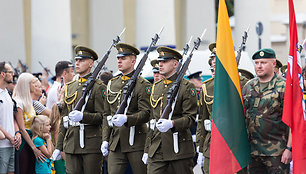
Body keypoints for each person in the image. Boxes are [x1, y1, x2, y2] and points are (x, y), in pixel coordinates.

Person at [196, 43, 250, 174]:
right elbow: (202, 119)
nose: (213, 61)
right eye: (213, 58)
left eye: (217, 58)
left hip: (236, 145)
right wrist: (201, 148)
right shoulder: (207, 87)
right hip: (213, 145)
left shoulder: (243, 84)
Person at [52, 46, 105, 174]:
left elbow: (102, 116)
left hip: (91, 144)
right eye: (76, 60)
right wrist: (58, 147)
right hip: (71, 144)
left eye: (82, 60)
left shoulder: (98, 87)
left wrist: (83, 117)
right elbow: (64, 119)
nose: (77, 63)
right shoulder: (70, 87)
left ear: (91, 63)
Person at [145, 46, 197, 174]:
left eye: (165, 61)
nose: (160, 64)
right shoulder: (156, 87)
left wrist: (172, 123)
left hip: (178, 147)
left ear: (175, 64)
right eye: (159, 61)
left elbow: (190, 118)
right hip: (157, 146)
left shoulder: (186, 87)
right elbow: (152, 121)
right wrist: (147, 149)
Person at [101, 43, 151, 174]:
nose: (119, 61)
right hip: (116, 142)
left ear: (133, 61)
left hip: (136, 141)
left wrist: (127, 119)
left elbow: (146, 113)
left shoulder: (142, 84)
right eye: (118, 58)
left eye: (123, 58)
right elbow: (106, 114)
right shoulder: (113, 83)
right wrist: (105, 139)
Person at [242, 48, 292, 173]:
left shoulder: (284, 87)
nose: (259, 66)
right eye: (257, 63)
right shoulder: (248, 86)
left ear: (274, 64)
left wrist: (289, 149)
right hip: (252, 152)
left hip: (277, 153)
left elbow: (293, 121)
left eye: (263, 63)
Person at [13, 73, 45, 174]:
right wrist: (34, 148)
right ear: (26, 85)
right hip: (24, 141)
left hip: (31, 140)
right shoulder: (18, 102)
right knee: (24, 169)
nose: (35, 85)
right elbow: (22, 128)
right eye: (32, 83)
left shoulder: (30, 102)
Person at [0, 62, 21, 174]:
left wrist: (17, 133)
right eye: (10, 72)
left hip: (11, 144)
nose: (13, 74)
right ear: (3, 74)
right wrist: (9, 136)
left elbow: (12, 117)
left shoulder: (7, 93)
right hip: (2, 145)